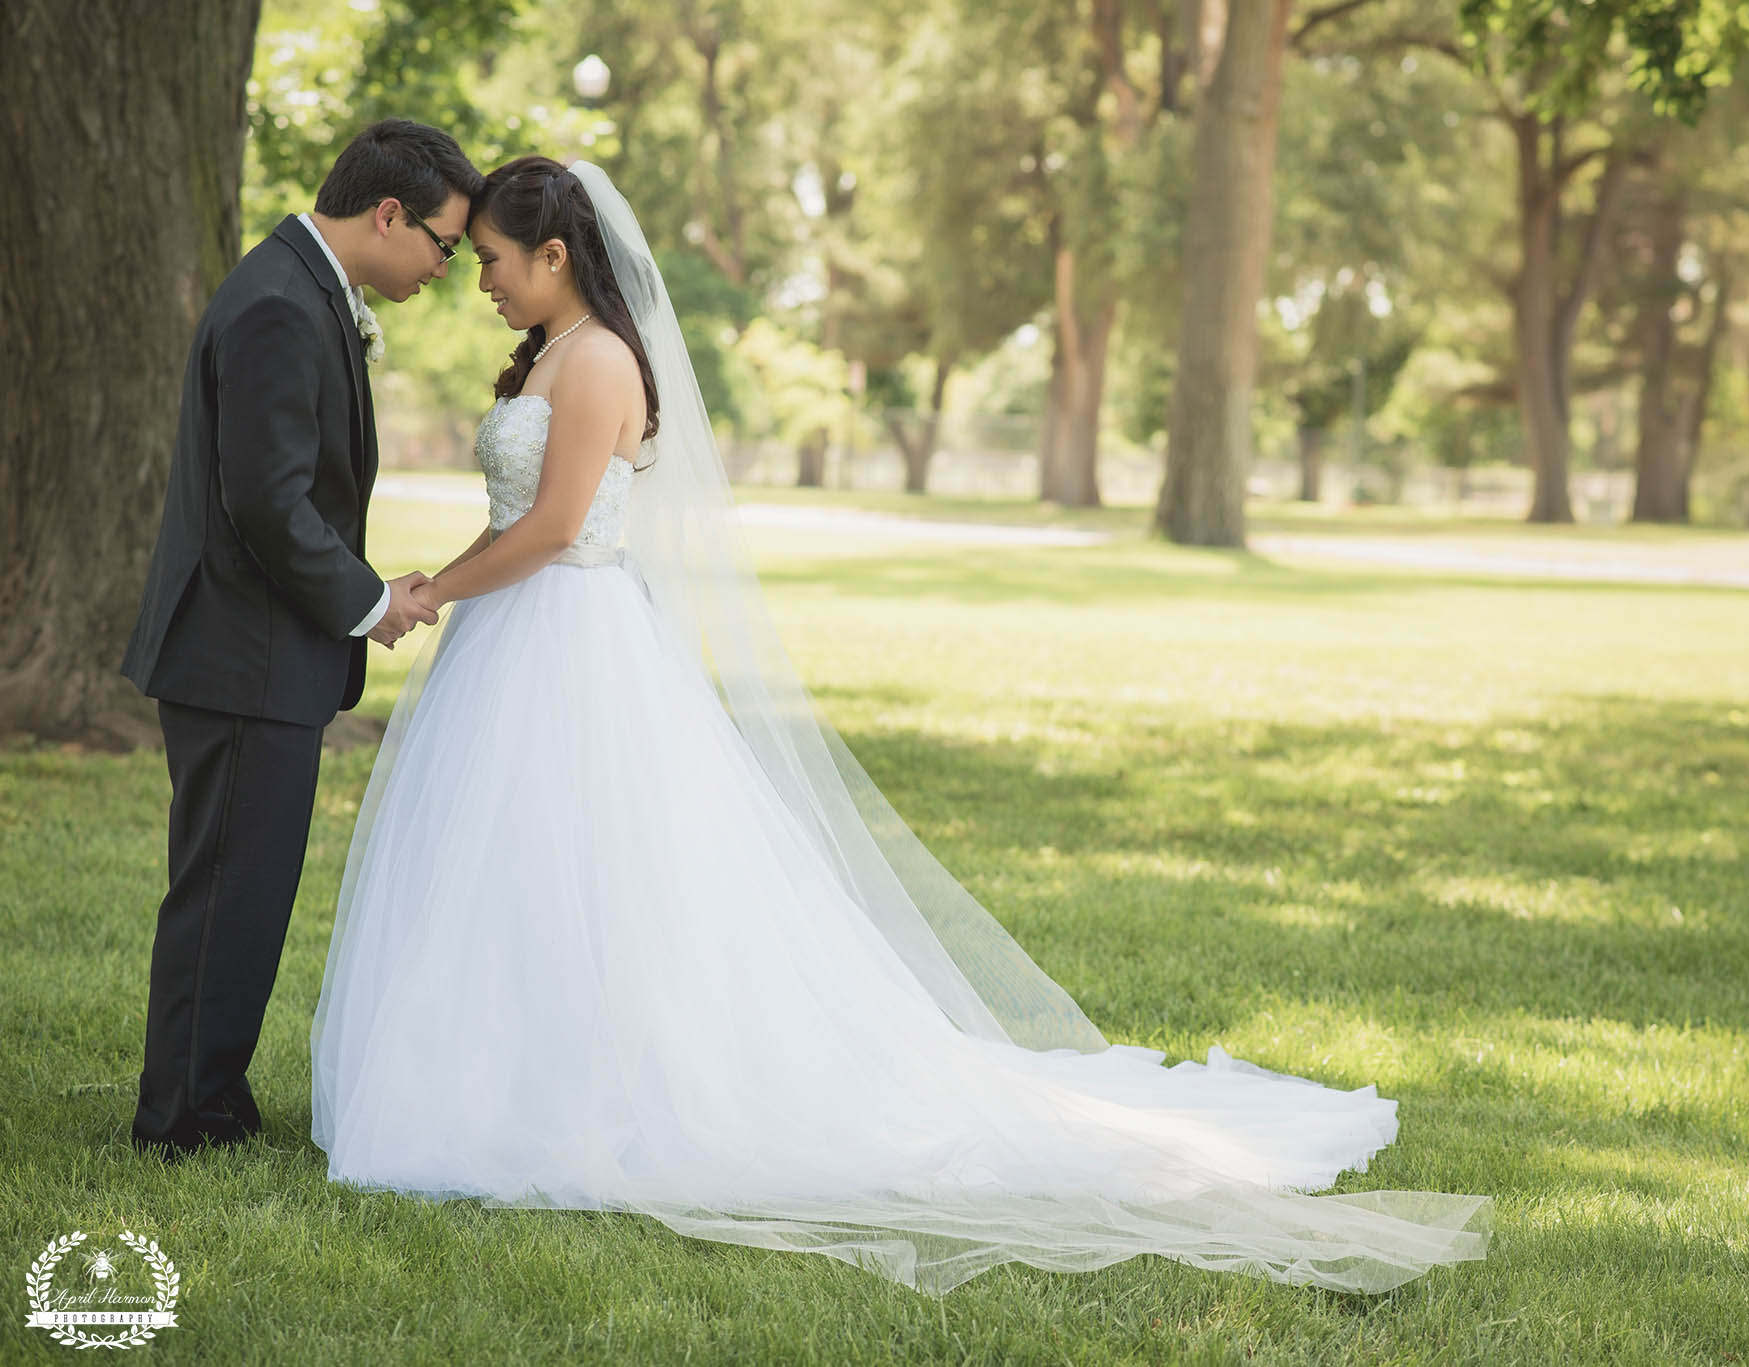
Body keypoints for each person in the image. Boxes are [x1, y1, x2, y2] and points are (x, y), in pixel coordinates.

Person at [308, 155, 1489, 1296]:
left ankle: (595, 1088)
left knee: (600, 868)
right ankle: (505, 1070)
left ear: (559, 254)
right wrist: (428, 587)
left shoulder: (602, 359)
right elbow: (518, 514)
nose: (485, 280)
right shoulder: (548, 353)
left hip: (567, 637)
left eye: (501, 259)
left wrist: (430, 591)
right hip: (517, 639)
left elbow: (562, 524)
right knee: (511, 871)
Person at [121, 119, 482, 1159]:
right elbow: (271, 503)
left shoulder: (301, 287)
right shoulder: (282, 304)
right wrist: (372, 603)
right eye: (443, 245)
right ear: (386, 214)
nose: (443, 268)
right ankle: (179, 1118)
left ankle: (212, 1094)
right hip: (241, 652)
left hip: (257, 650)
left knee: (248, 885)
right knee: (227, 888)